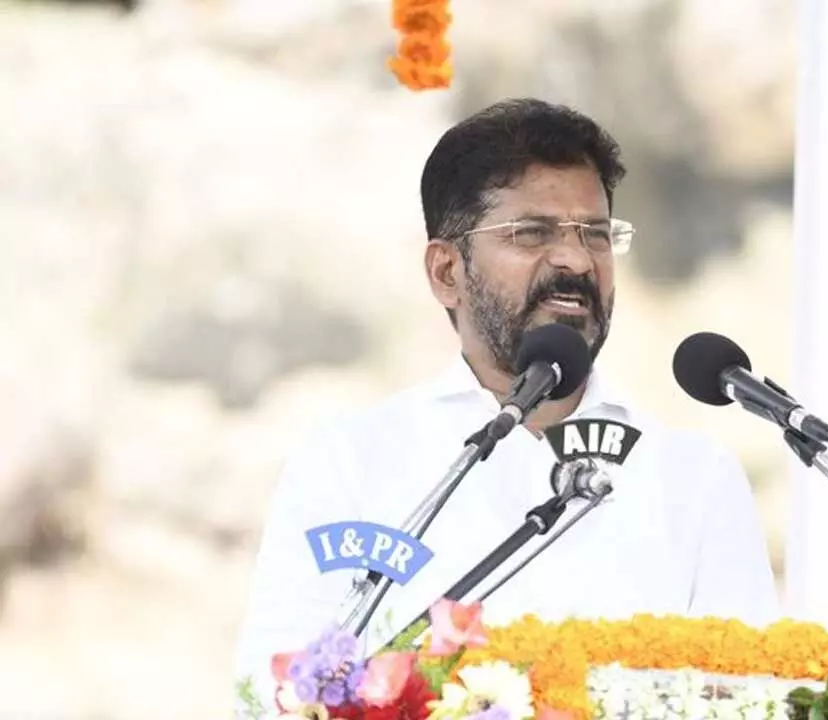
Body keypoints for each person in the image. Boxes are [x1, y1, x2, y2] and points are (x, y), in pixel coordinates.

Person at [232, 98, 778, 700]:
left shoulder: (695, 478)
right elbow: (273, 691)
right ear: (447, 272)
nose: (575, 258)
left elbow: (749, 699)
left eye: (596, 234)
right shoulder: (348, 461)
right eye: (532, 233)